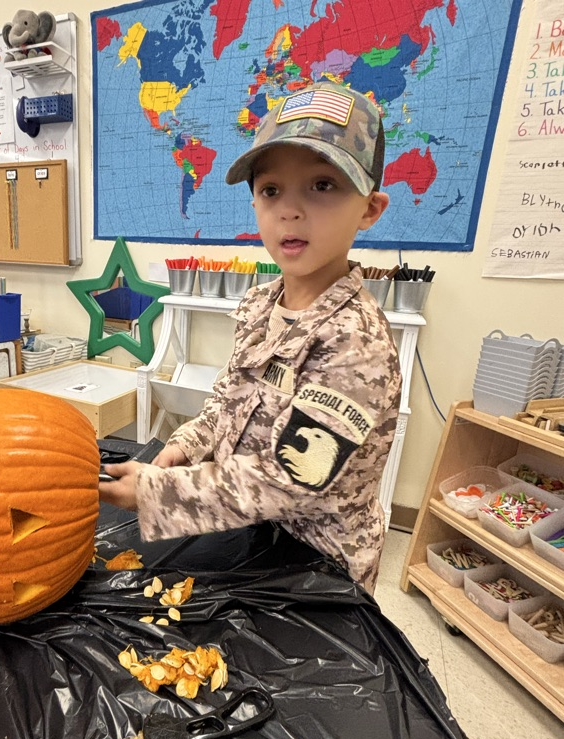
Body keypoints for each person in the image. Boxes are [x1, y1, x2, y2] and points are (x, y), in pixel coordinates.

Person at [99, 81, 402, 594]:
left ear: (370, 208)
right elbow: (227, 405)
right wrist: (184, 445)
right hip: (246, 534)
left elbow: (288, 478)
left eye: (322, 186)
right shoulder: (261, 304)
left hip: (316, 570)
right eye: (271, 190)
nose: (290, 210)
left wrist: (156, 491)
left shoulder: (356, 343)